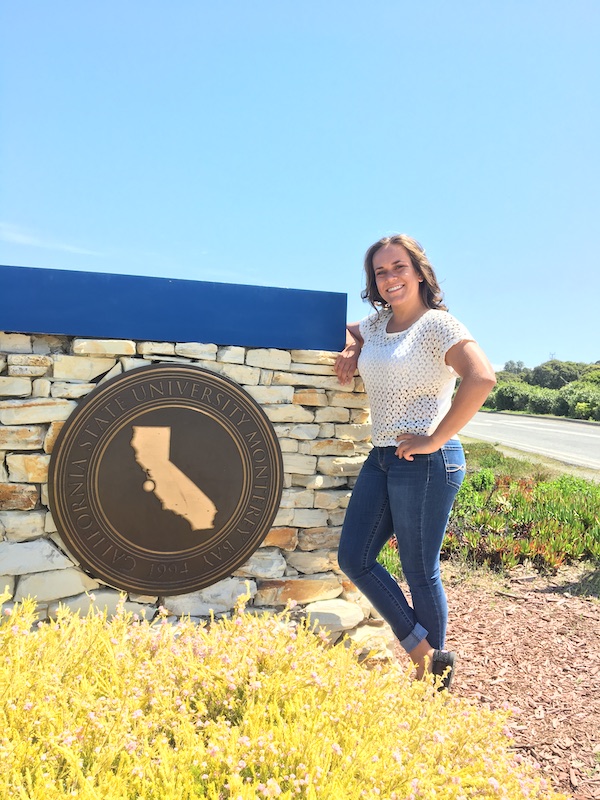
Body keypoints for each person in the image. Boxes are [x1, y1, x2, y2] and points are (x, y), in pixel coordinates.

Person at [335, 234, 496, 690]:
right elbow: (348, 329)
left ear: (420, 272)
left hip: (426, 461)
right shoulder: (379, 322)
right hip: (383, 456)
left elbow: (481, 376)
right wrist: (352, 348)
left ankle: (432, 680)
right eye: (380, 272)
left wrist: (435, 437)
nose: (390, 278)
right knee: (354, 557)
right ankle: (427, 655)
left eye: (398, 267)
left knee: (418, 570)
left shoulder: (437, 325)